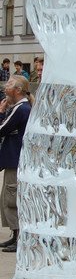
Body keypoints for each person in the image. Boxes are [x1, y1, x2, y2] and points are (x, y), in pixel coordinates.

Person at [0, 75, 33, 253]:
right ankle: (15, 235)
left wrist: (0, 111)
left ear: (18, 90)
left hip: (15, 159)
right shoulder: (21, 107)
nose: (6, 87)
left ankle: (18, 236)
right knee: (8, 198)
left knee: (11, 199)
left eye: (10, 85)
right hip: (15, 159)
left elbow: (2, 129)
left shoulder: (21, 108)